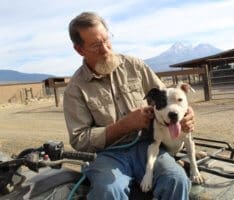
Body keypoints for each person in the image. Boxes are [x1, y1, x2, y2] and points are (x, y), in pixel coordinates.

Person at [63, 12, 195, 200]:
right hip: (107, 156)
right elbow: (79, 140)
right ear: (79, 50)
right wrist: (125, 125)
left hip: (148, 146)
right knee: (109, 191)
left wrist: (186, 113)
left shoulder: (135, 65)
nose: (105, 49)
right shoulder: (75, 89)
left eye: (106, 40)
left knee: (176, 180)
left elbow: (169, 97)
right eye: (95, 45)